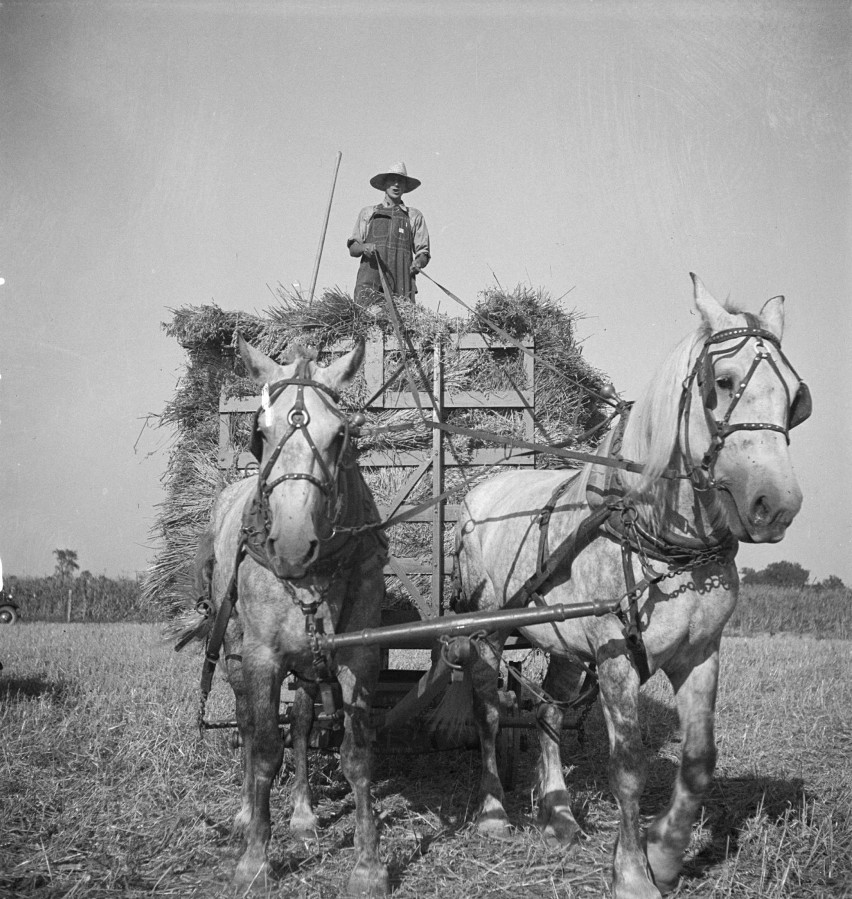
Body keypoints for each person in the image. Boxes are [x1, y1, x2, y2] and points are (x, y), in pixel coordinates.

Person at [347, 162, 430, 307]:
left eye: (401, 182)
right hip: (370, 284)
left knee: (402, 324)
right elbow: (353, 249)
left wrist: (418, 263)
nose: (396, 185)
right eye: (392, 180)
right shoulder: (368, 213)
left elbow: (423, 252)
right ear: (385, 184)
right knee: (367, 321)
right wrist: (364, 247)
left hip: (401, 284)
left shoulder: (414, 216)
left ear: (405, 187)